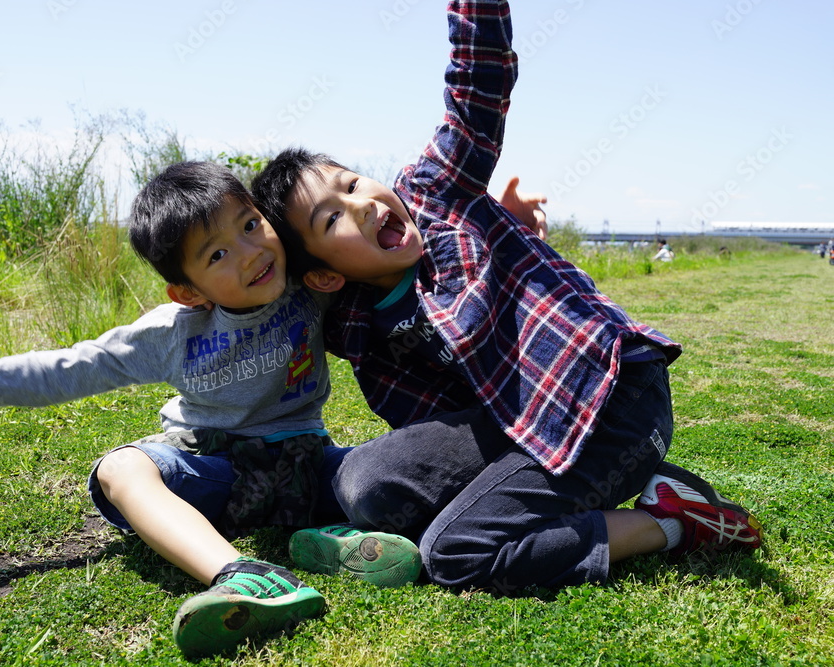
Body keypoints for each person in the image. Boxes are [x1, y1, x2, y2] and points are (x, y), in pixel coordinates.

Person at [252, 0, 761, 595]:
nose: (362, 203)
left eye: (353, 182)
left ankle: (672, 522)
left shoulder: (435, 195)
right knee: (366, 484)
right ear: (325, 276)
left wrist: (498, 224)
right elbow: (252, 289)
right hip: (518, 425)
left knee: (455, 553)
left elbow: (477, 85)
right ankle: (630, 489)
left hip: (608, 398)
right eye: (332, 216)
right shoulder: (350, 324)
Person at [0, 161, 424, 659]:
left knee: (375, 471)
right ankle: (242, 575)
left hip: (305, 463)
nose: (250, 252)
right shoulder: (173, 332)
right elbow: (67, 367)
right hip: (209, 470)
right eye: (217, 254)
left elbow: (387, 260)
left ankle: (322, 539)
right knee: (120, 469)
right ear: (187, 292)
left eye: (250, 225)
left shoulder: (312, 288)